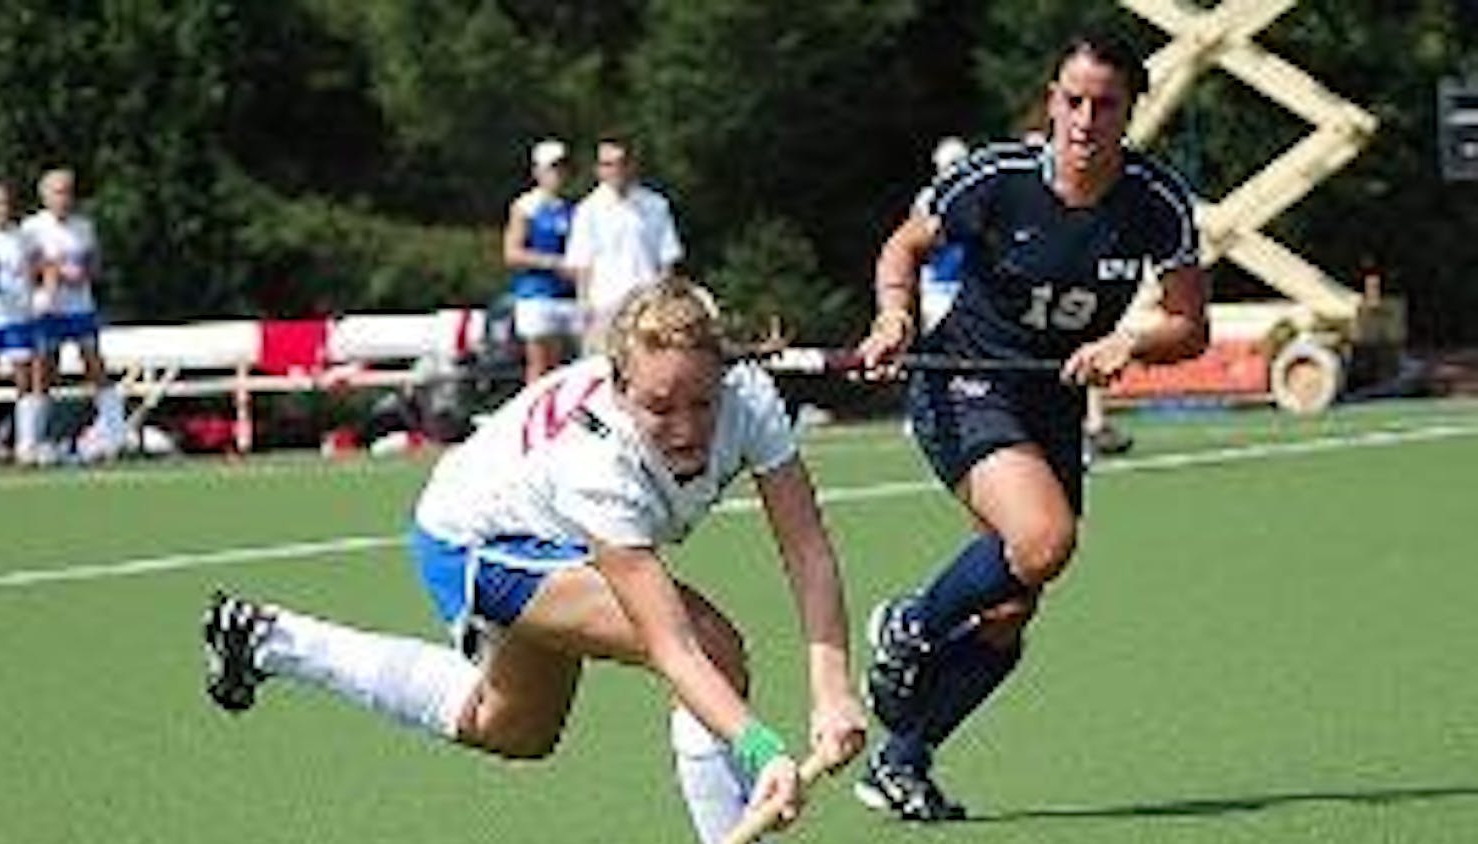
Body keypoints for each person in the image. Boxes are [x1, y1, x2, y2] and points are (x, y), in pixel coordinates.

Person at [203, 279, 867, 843]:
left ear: (725, 373)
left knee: (514, 727)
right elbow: (673, 647)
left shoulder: (750, 397)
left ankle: (274, 640)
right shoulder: (599, 462)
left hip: (548, 536)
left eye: (702, 403)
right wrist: (760, 751)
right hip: (474, 539)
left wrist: (832, 690)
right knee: (710, 644)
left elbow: (807, 549)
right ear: (619, 387)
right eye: (660, 407)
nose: (688, 428)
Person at [852, 31, 1209, 820]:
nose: (1084, 120)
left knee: (1012, 609)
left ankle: (900, 762)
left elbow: (1190, 327)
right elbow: (902, 247)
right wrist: (892, 317)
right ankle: (910, 621)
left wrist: (1130, 340)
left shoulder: (1156, 203)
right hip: (963, 383)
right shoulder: (996, 177)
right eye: (1071, 101)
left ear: (1129, 112)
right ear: (1051, 100)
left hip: (1048, 402)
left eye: (1104, 105)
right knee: (1045, 540)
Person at [21, 168, 127, 460]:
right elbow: (24, 269)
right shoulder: (32, 228)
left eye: (67, 191)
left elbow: (95, 266)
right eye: (57, 192)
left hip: (80, 309)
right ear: (44, 196)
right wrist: (49, 273)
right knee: (44, 372)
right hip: (47, 310)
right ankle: (32, 442)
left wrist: (82, 273)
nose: (63, 198)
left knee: (95, 366)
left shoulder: (84, 226)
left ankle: (117, 436)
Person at [563, 136, 684, 351]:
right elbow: (582, 265)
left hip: (648, 306)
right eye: (608, 164)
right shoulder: (588, 210)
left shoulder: (655, 205)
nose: (615, 170)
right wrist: (584, 310)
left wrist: (664, 305)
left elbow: (667, 260)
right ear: (598, 169)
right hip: (605, 306)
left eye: (621, 162)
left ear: (631, 165)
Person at [0, 181, 44, 465]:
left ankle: (26, 445)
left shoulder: (24, 237)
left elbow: (39, 269)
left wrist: (41, 296)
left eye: (4, 203)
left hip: (18, 318)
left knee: (24, 381)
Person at [504, 139, 577, 384]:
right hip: (536, 294)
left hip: (566, 296)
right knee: (539, 365)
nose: (558, 174)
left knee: (561, 369)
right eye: (552, 168)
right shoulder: (526, 206)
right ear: (537, 172)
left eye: (562, 168)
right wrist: (555, 263)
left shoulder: (572, 208)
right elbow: (513, 253)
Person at [914, 136, 970, 334]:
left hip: (966, 282)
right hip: (938, 283)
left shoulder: (976, 194)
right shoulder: (928, 199)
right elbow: (920, 243)